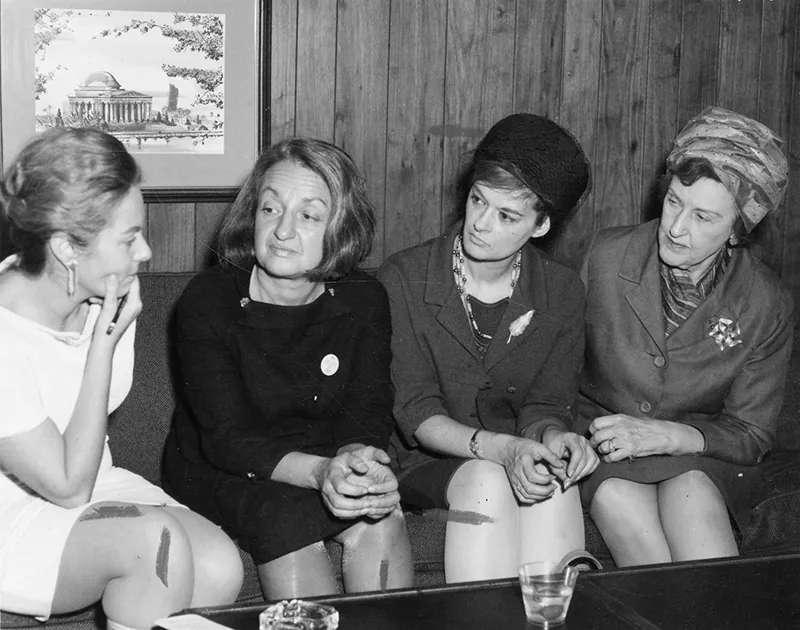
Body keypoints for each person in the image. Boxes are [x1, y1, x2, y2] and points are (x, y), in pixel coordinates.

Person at [0, 128, 243, 629]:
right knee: (156, 542)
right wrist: (101, 348)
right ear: (68, 248)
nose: (147, 252)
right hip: (15, 517)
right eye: (130, 238)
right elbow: (67, 486)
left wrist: (102, 335)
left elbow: (86, 470)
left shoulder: (102, 296)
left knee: (220, 568)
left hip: (92, 481)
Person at [163, 137, 414, 599]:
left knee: (377, 510)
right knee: (285, 515)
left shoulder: (365, 296)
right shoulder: (207, 301)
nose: (282, 231)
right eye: (270, 209)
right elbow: (227, 439)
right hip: (223, 468)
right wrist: (321, 472)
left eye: (309, 215)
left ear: (341, 228)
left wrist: (359, 461)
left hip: (325, 455)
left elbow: (369, 407)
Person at [377, 113, 599, 582]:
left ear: (540, 226)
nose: (478, 223)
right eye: (478, 200)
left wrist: (556, 439)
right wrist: (503, 450)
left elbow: (546, 405)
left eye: (506, 215)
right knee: (489, 479)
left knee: (551, 476)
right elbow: (416, 413)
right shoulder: (404, 278)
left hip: (513, 450)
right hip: (424, 462)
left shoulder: (560, 291)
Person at [577, 106, 794, 566]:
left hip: (699, 453)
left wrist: (669, 436)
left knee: (691, 490)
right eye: (673, 202)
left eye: (704, 217)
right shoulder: (605, 256)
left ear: (738, 232)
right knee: (617, 495)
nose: (676, 229)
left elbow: (751, 433)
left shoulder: (766, 305)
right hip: (605, 445)